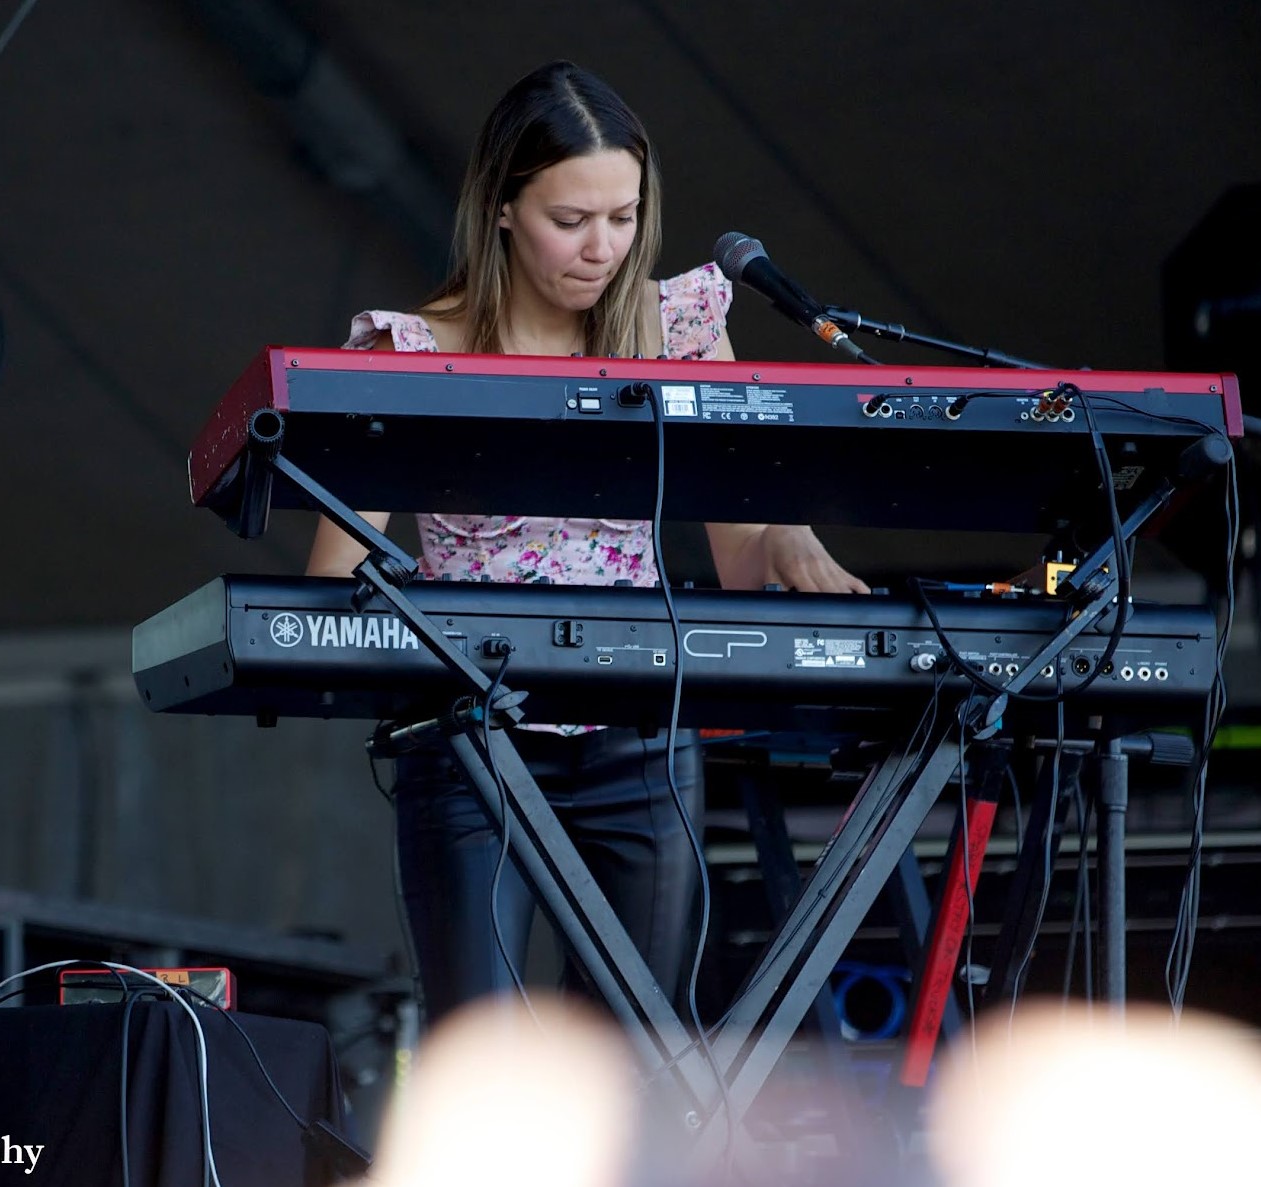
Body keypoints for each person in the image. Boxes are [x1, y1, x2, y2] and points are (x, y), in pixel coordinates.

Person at [306, 60, 865, 1024]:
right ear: (500, 209)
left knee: (633, 1068)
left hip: (641, 742)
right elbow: (333, 574)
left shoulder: (678, 326)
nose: (602, 247)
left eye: (623, 216)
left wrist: (791, 541)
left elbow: (742, 553)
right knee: (487, 1065)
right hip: (473, 744)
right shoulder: (407, 350)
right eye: (570, 220)